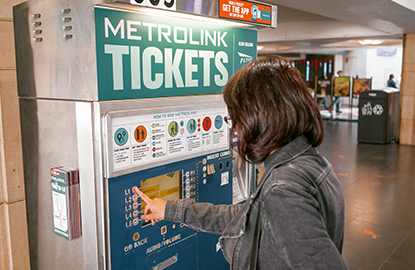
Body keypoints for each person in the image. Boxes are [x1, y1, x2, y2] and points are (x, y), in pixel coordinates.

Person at [135, 56, 347, 269]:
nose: (235, 129)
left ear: (258, 117)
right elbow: (248, 218)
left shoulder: (283, 187)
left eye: (235, 119)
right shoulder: (309, 161)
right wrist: (171, 210)